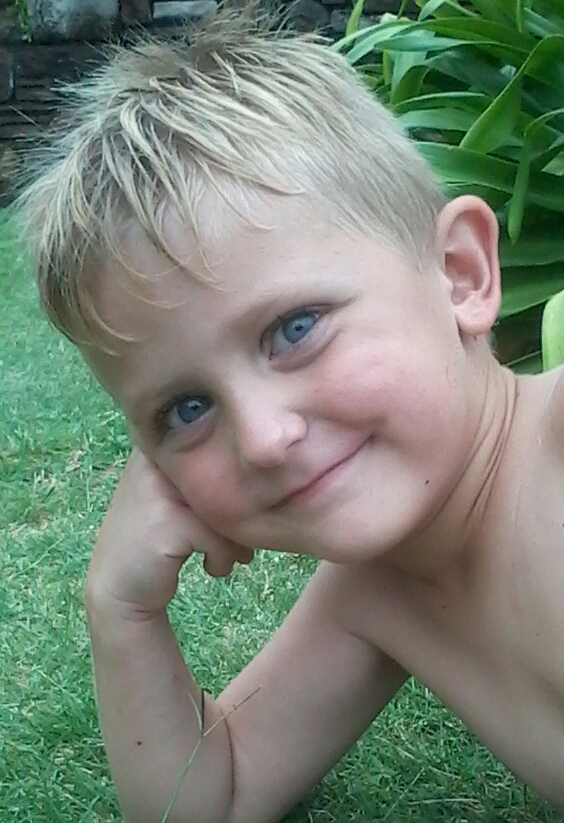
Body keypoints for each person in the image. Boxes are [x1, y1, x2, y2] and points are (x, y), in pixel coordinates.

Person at [18, 6, 564, 823]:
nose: (265, 438)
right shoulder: (376, 593)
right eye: (188, 408)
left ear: (460, 274)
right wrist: (122, 614)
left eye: (296, 328)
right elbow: (213, 799)